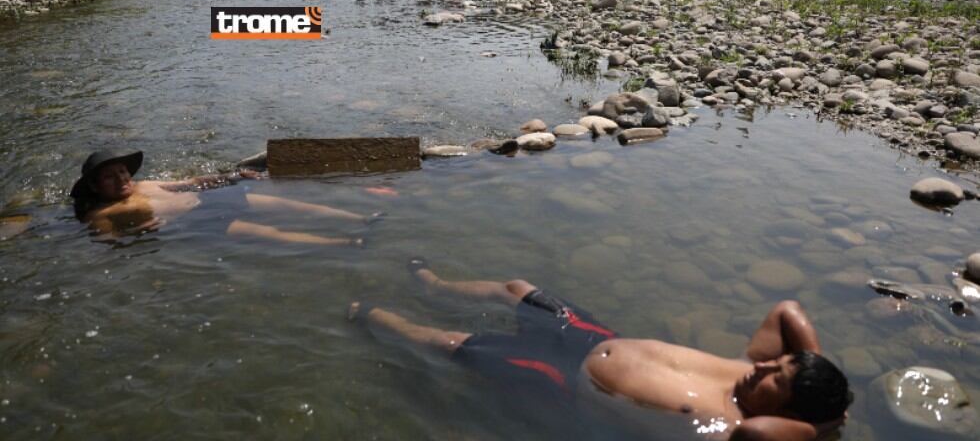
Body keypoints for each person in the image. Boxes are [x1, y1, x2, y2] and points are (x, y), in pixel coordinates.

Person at [349, 260, 852, 440]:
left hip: (565, 376)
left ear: (789, 413)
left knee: (446, 343)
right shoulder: (748, 367)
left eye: (776, 379)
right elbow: (787, 309)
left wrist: (823, 425)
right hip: (592, 336)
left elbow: (765, 433)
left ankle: (370, 314)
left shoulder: (731, 428)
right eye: (776, 362)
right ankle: (436, 285)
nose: (762, 367)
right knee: (515, 287)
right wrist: (809, 370)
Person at [70, 150, 381, 245]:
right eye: (111, 177)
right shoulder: (100, 215)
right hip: (198, 222)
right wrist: (146, 229)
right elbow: (108, 243)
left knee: (286, 204)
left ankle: (360, 218)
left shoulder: (146, 185)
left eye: (123, 172)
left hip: (207, 202)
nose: (122, 179)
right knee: (269, 233)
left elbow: (190, 182)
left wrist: (232, 177)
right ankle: (345, 243)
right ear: (96, 187)